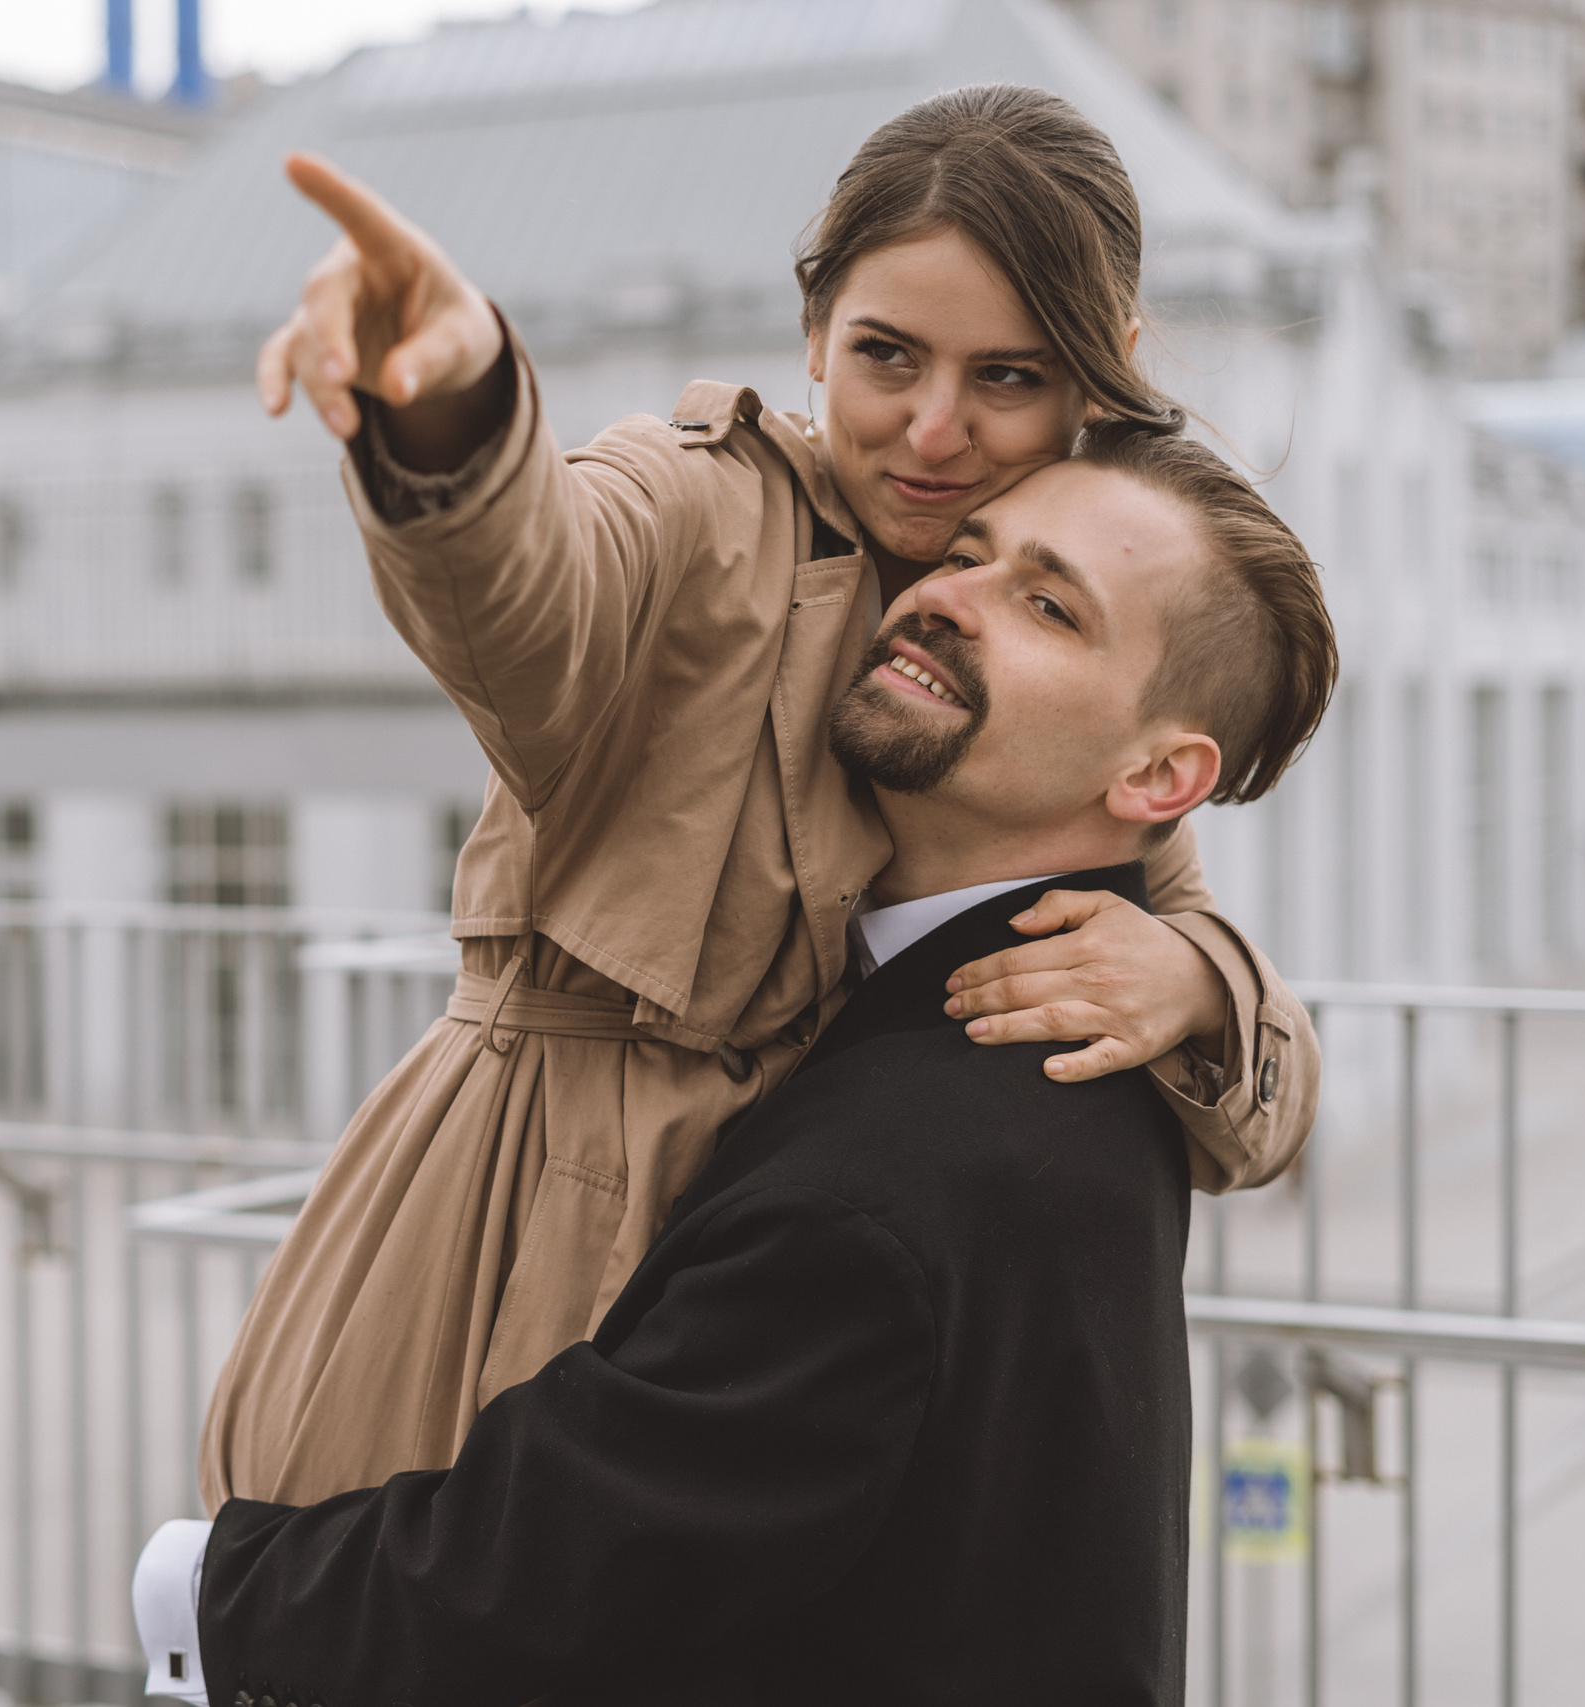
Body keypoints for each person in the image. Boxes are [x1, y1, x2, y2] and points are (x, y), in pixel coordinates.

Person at [199, 84, 1321, 1515]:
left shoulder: (1066, 673)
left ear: (1095, 383)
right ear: (813, 331)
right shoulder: (699, 509)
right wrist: (455, 408)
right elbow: (530, 585)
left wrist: (1198, 984)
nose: (933, 431)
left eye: (1007, 376)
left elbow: (1265, 1104)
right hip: (494, 1284)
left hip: (771, 1353)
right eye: (886, 355)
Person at [136, 422, 1339, 1707]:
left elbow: (580, 1556)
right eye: (965, 555)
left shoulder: (899, 1162)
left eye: (1048, 606)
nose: (946, 598)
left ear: (1159, 775)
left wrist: (205, 1590)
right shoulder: (1093, 1046)